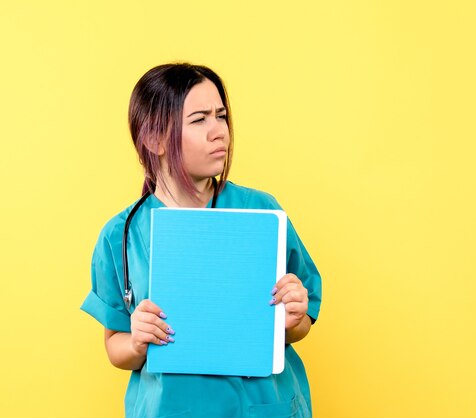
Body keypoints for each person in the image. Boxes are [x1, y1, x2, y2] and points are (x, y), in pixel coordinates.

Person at [81, 63, 322, 417]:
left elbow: (299, 325)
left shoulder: (261, 212)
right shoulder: (122, 234)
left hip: (260, 407)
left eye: (221, 116)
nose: (219, 131)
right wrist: (136, 339)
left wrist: (296, 317)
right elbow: (115, 347)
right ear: (153, 138)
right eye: (199, 120)